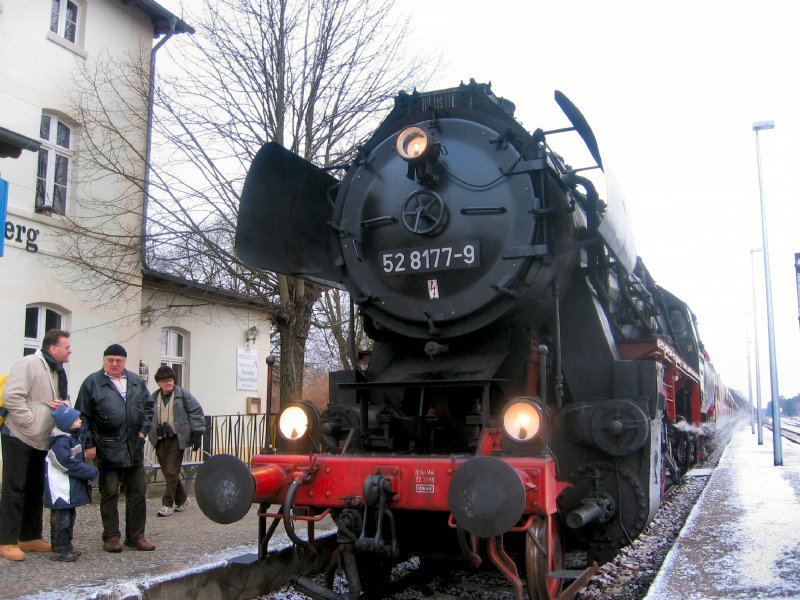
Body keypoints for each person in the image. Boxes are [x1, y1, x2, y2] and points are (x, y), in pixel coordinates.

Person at [0, 329, 72, 562]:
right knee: (15, 489)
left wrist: (61, 407)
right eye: (66, 347)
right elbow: (13, 397)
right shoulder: (29, 364)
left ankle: (30, 536)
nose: (69, 351)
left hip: (41, 439)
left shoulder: (57, 371)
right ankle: (7, 541)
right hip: (18, 435)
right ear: (53, 349)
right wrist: (30, 422)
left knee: (35, 488)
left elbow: (56, 398)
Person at [76, 343, 155, 553]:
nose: (113, 364)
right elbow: (83, 416)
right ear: (104, 360)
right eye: (109, 360)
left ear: (124, 362)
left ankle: (136, 536)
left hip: (133, 446)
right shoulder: (93, 382)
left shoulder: (136, 381)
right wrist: (89, 443)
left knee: (138, 491)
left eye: (118, 360)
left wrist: (143, 431)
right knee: (110, 491)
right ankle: (111, 536)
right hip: (107, 446)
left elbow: (149, 407)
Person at [147, 366, 206, 517]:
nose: (169, 383)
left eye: (171, 380)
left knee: (172, 471)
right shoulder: (154, 397)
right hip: (160, 438)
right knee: (168, 472)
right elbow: (146, 416)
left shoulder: (183, 395)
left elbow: (196, 412)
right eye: (165, 381)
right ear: (158, 383)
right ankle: (183, 499)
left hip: (177, 438)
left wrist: (197, 434)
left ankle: (167, 504)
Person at [45, 405, 98, 562]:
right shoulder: (61, 441)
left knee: (69, 516)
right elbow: (66, 462)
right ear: (66, 424)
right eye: (75, 419)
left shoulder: (70, 438)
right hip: (60, 488)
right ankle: (60, 549)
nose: (79, 420)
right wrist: (89, 472)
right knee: (62, 518)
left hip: (67, 487)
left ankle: (65, 545)